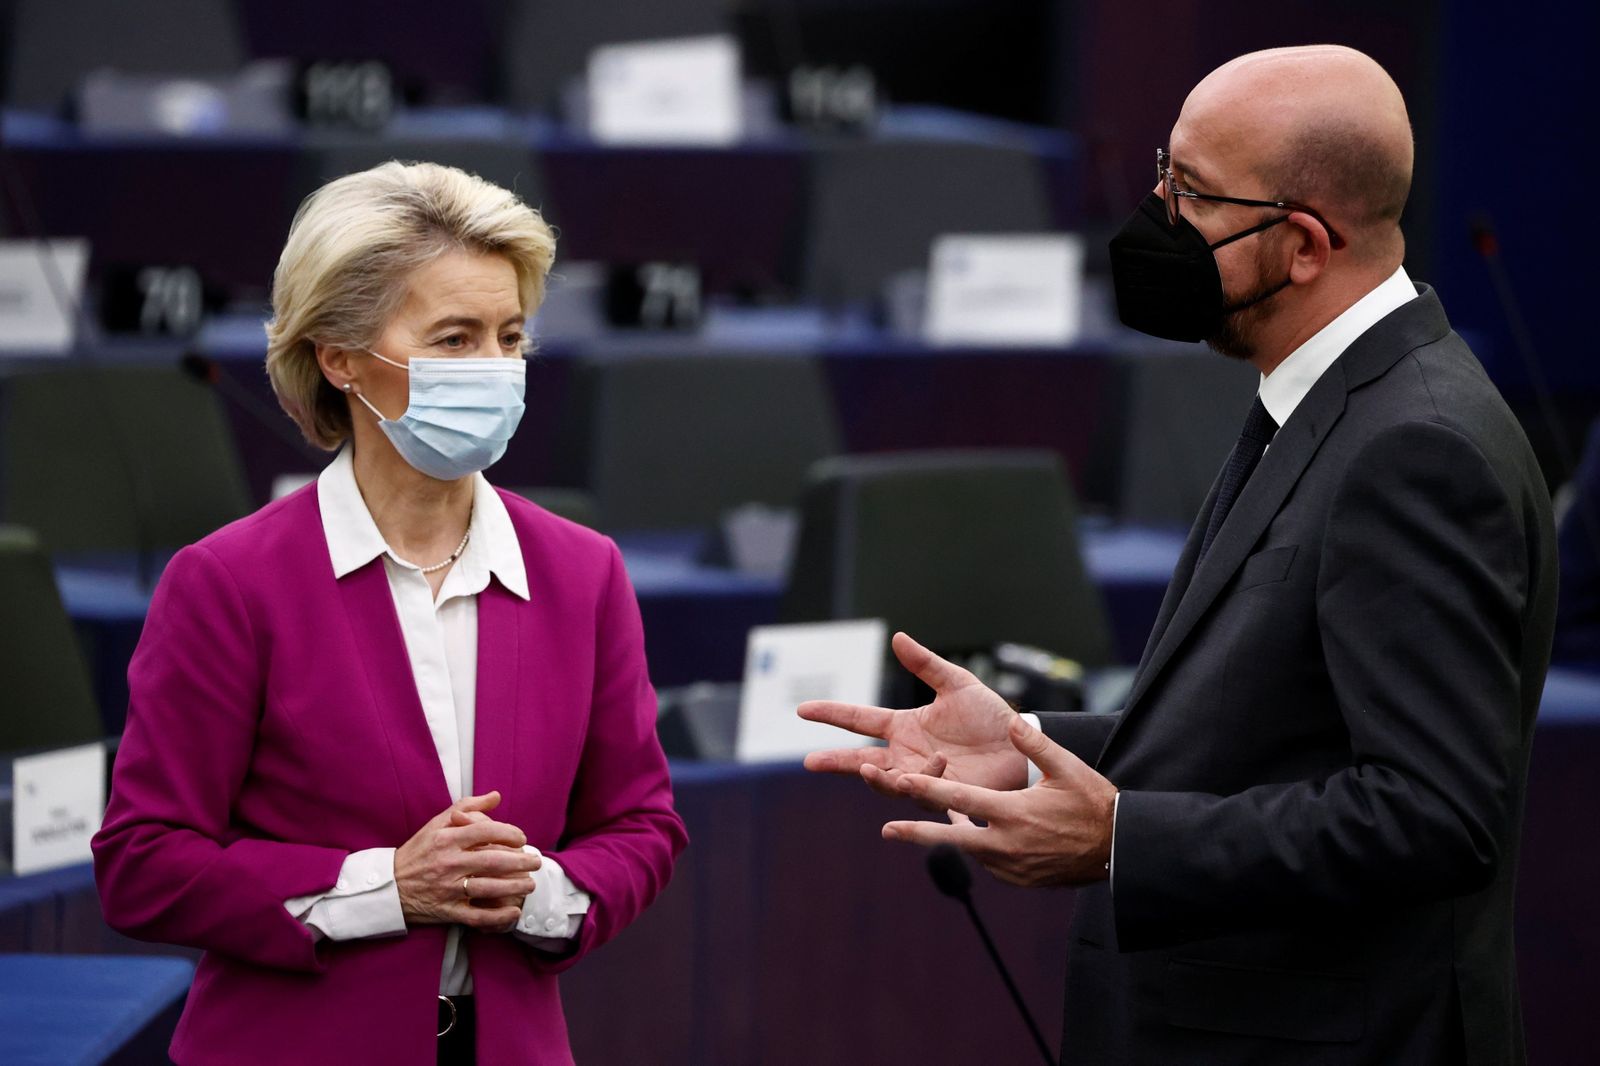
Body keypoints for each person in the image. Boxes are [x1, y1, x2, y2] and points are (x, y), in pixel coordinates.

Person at [801, 45, 1556, 1065]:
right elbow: (1272, 731)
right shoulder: (1326, 399)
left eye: (1191, 193)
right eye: (1166, 171)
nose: (1155, 215)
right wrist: (1028, 741)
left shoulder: (1416, 446)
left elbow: (1428, 812)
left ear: (1300, 246)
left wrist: (1120, 840)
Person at [93, 161, 687, 1066]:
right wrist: (388, 888)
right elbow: (143, 864)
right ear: (338, 355)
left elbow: (641, 826)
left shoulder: (583, 571)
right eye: (454, 339)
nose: (493, 370)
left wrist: (536, 892)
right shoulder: (227, 581)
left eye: (510, 335)